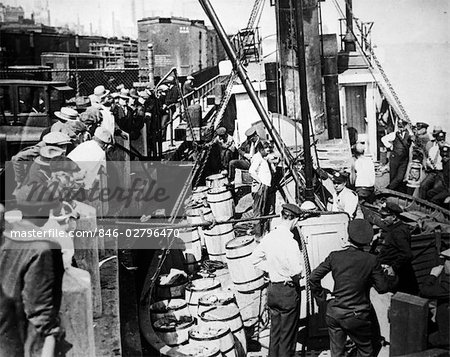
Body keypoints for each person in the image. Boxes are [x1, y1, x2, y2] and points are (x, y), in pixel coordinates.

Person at [310, 219, 397, 357]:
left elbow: (313, 277)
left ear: (349, 237)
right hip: (356, 316)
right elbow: (382, 288)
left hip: (334, 313)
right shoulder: (371, 260)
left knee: (336, 352)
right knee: (366, 351)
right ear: (367, 241)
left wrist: (322, 297)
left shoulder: (335, 256)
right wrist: (391, 276)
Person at [0, 187, 66, 357]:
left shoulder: (6, 234)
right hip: (21, 341)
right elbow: (40, 315)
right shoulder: (42, 249)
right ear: (41, 209)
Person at [251, 203, 303, 357]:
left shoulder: (269, 237)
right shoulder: (291, 242)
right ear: (295, 220)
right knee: (287, 337)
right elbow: (297, 270)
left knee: (275, 333)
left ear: (281, 216)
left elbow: (255, 258)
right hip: (287, 292)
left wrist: (271, 267)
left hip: (273, 290)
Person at [374, 202, 419, 295]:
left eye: (384, 216)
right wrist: (381, 235)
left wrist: (393, 268)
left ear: (394, 217)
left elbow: (407, 254)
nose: (382, 219)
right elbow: (392, 238)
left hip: (395, 273)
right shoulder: (397, 227)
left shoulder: (398, 232)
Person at [420, 248, 450, 348]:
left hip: (445, 339)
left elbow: (424, 291)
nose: (443, 263)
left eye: (446, 260)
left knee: (419, 339)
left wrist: (432, 275)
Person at [381, 118, 413, 192]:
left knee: (400, 178)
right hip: (394, 158)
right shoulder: (394, 134)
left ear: (405, 126)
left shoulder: (410, 135)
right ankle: (392, 194)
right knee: (393, 176)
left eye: (402, 126)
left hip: (404, 159)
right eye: (399, 126)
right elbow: (383, 139)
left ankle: (387, 190)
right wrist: (390, 146)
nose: (400, 128)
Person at [249, 141, 272, 238]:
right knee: (258, 212)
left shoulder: (261, 157)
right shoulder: (258, 158)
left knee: (263, 210)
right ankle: (258, 235)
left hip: (263, 186)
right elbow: (251, 171)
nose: (268, 151)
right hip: (260, 188)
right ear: (261, 150)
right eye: (266, 149)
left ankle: (262, 231)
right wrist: (260, 182)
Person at [420, 131, 446, 200]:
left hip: (442, 173)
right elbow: (428, 160)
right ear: (437, 140)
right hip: (433, 172)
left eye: (443, 139)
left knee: (435, 189)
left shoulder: (448, 150)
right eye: (440, 140)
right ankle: (422, 204)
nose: (442, 141)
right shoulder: (433, 149)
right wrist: (430, 165)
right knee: (423, 186)